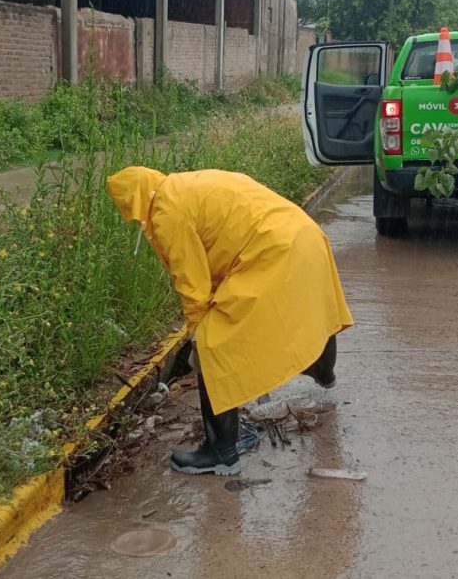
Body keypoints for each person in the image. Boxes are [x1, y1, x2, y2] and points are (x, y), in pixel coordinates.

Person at [107, 167, 353, 476]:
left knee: (215, 344)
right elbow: (224, 237)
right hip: (306, 236)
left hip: (273, 250)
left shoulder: (166, 213)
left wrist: (199, 333)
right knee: (312, 309)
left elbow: (192, 284)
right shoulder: (187, 184)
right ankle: (321, 369)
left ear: (134, 203)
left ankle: (219, 452)